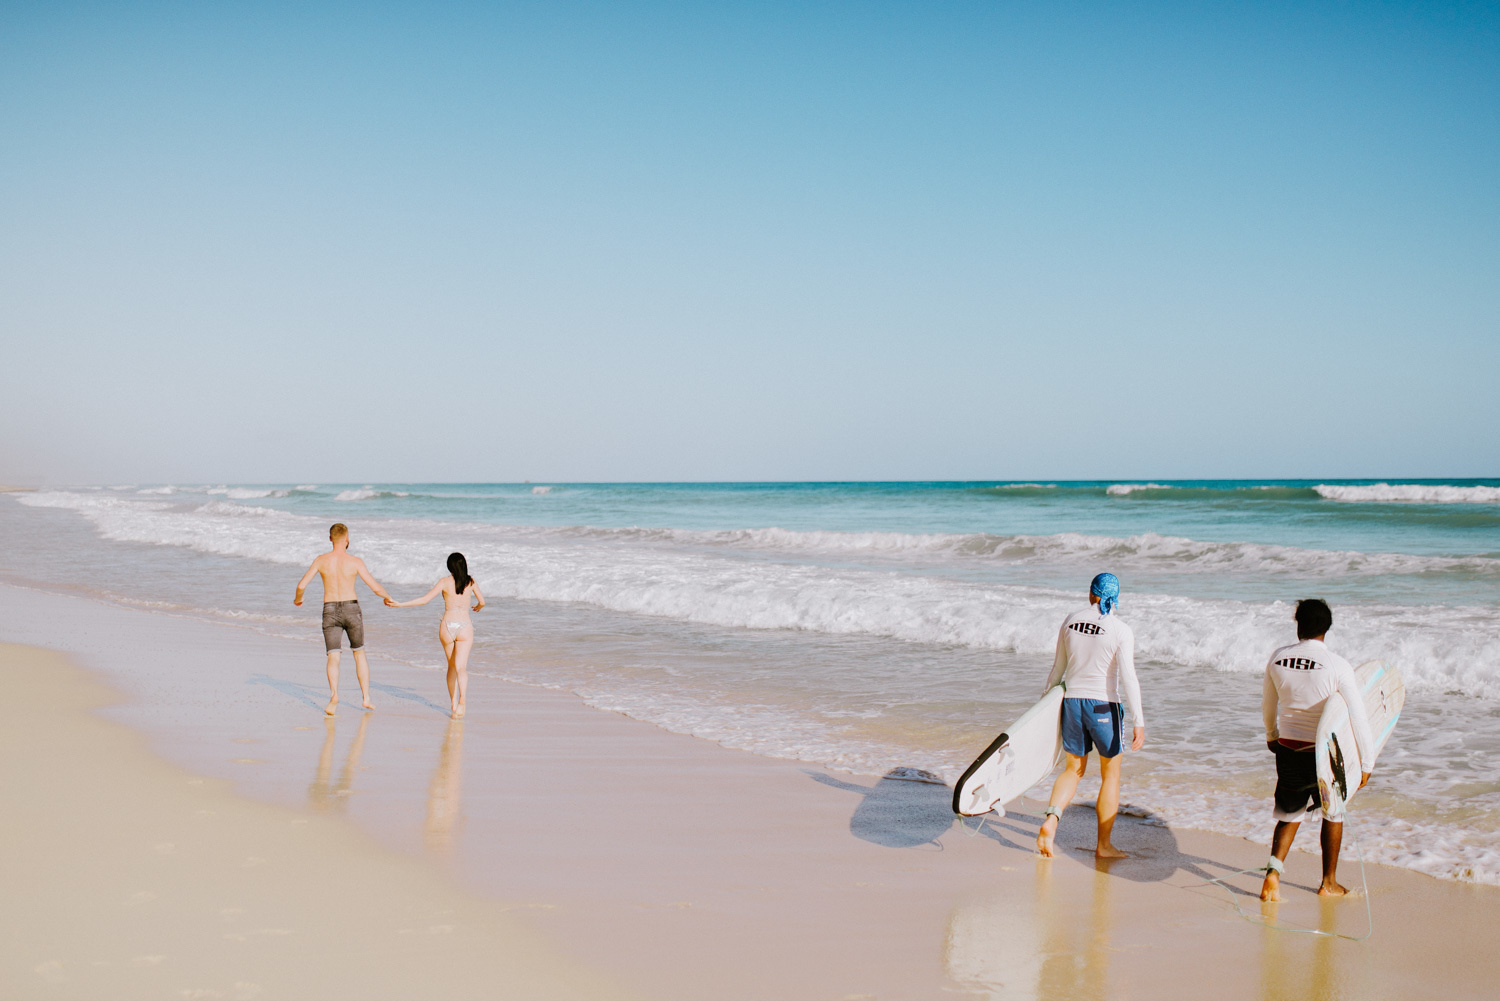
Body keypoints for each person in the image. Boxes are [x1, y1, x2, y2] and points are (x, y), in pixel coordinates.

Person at [1259, 598, 1373, 901]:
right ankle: (1328, 882)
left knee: (1289, 813)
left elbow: (1269, 704)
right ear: (1327, 628)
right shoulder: (1338, 666)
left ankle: (1273, 873)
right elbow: (1358, 715)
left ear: (1298, 625)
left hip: (1287, 746)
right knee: (1333, 814)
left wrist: (1272, 735)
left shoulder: (1278, 658)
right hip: (1323, 753)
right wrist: (1366, 763)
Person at [1036, 572, 1146, 859]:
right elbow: (1129, 678)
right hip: (1103, 707)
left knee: (1073, 770)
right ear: (1116, 596)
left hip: (1072, 703)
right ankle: (1104, 846)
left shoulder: (1070, 620)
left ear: (1091, 593)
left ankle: (1051, 820)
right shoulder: (1120, 629)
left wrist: (1043, 706)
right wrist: (1139, 721)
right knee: (1111, 776)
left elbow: (1057, 669)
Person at [294, 522, 396, 716]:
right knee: (359, 654)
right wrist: (387, 597)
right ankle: (366, 698)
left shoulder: (321, 560)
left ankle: (334, 696)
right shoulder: (355, 561)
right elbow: (374, 587)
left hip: (330, 609)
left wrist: (298, 599)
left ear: (330, 539)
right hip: (351, 608)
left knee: (334, 656)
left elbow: (301, 585)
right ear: (347, 538)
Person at [388, 552, 485, 719]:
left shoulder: (444, 582)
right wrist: (478, 607)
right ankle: (463, 701)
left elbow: (424, 600)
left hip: (447, 626)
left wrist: (400, 605)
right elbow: (482, 601)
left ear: (449, 566)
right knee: (461, 667)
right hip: (464, 626)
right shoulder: (471, 581)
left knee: (452, 667)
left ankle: (454, 705)